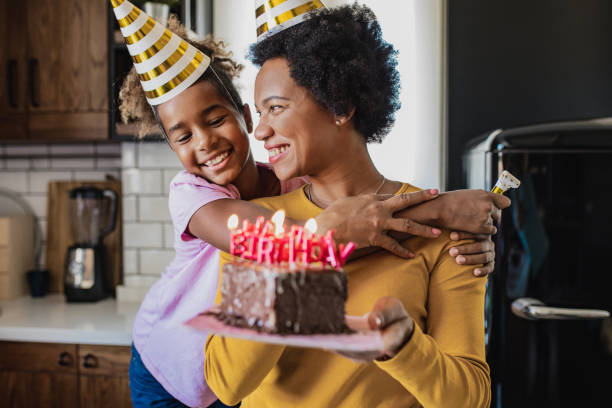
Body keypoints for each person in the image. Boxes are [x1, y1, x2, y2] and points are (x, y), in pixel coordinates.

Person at [112, 2, 507, 407]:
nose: (261, 130)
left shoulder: (444, 239)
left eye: (276, 108)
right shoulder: (258, 225)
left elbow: (470, 398)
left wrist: (405, 347)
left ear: (340, 105)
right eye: (261, 112)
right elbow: (228, 383)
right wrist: (439, 209)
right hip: (164, 368)